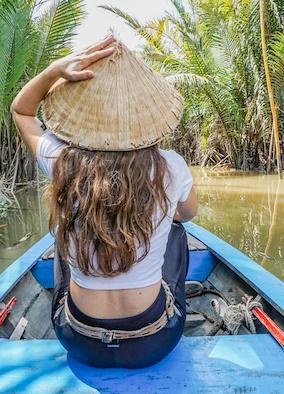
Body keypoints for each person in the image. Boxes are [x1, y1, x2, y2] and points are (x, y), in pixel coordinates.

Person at [11, 35, 198, 368]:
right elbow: (189, 214)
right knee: (177, 230)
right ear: (147, 122)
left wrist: (54, 71)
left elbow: (21, 111)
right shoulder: (171, 166)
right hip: (154, 341)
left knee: (62, 237)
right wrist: (163, 212)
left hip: (78, 340)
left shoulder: (61, 160)